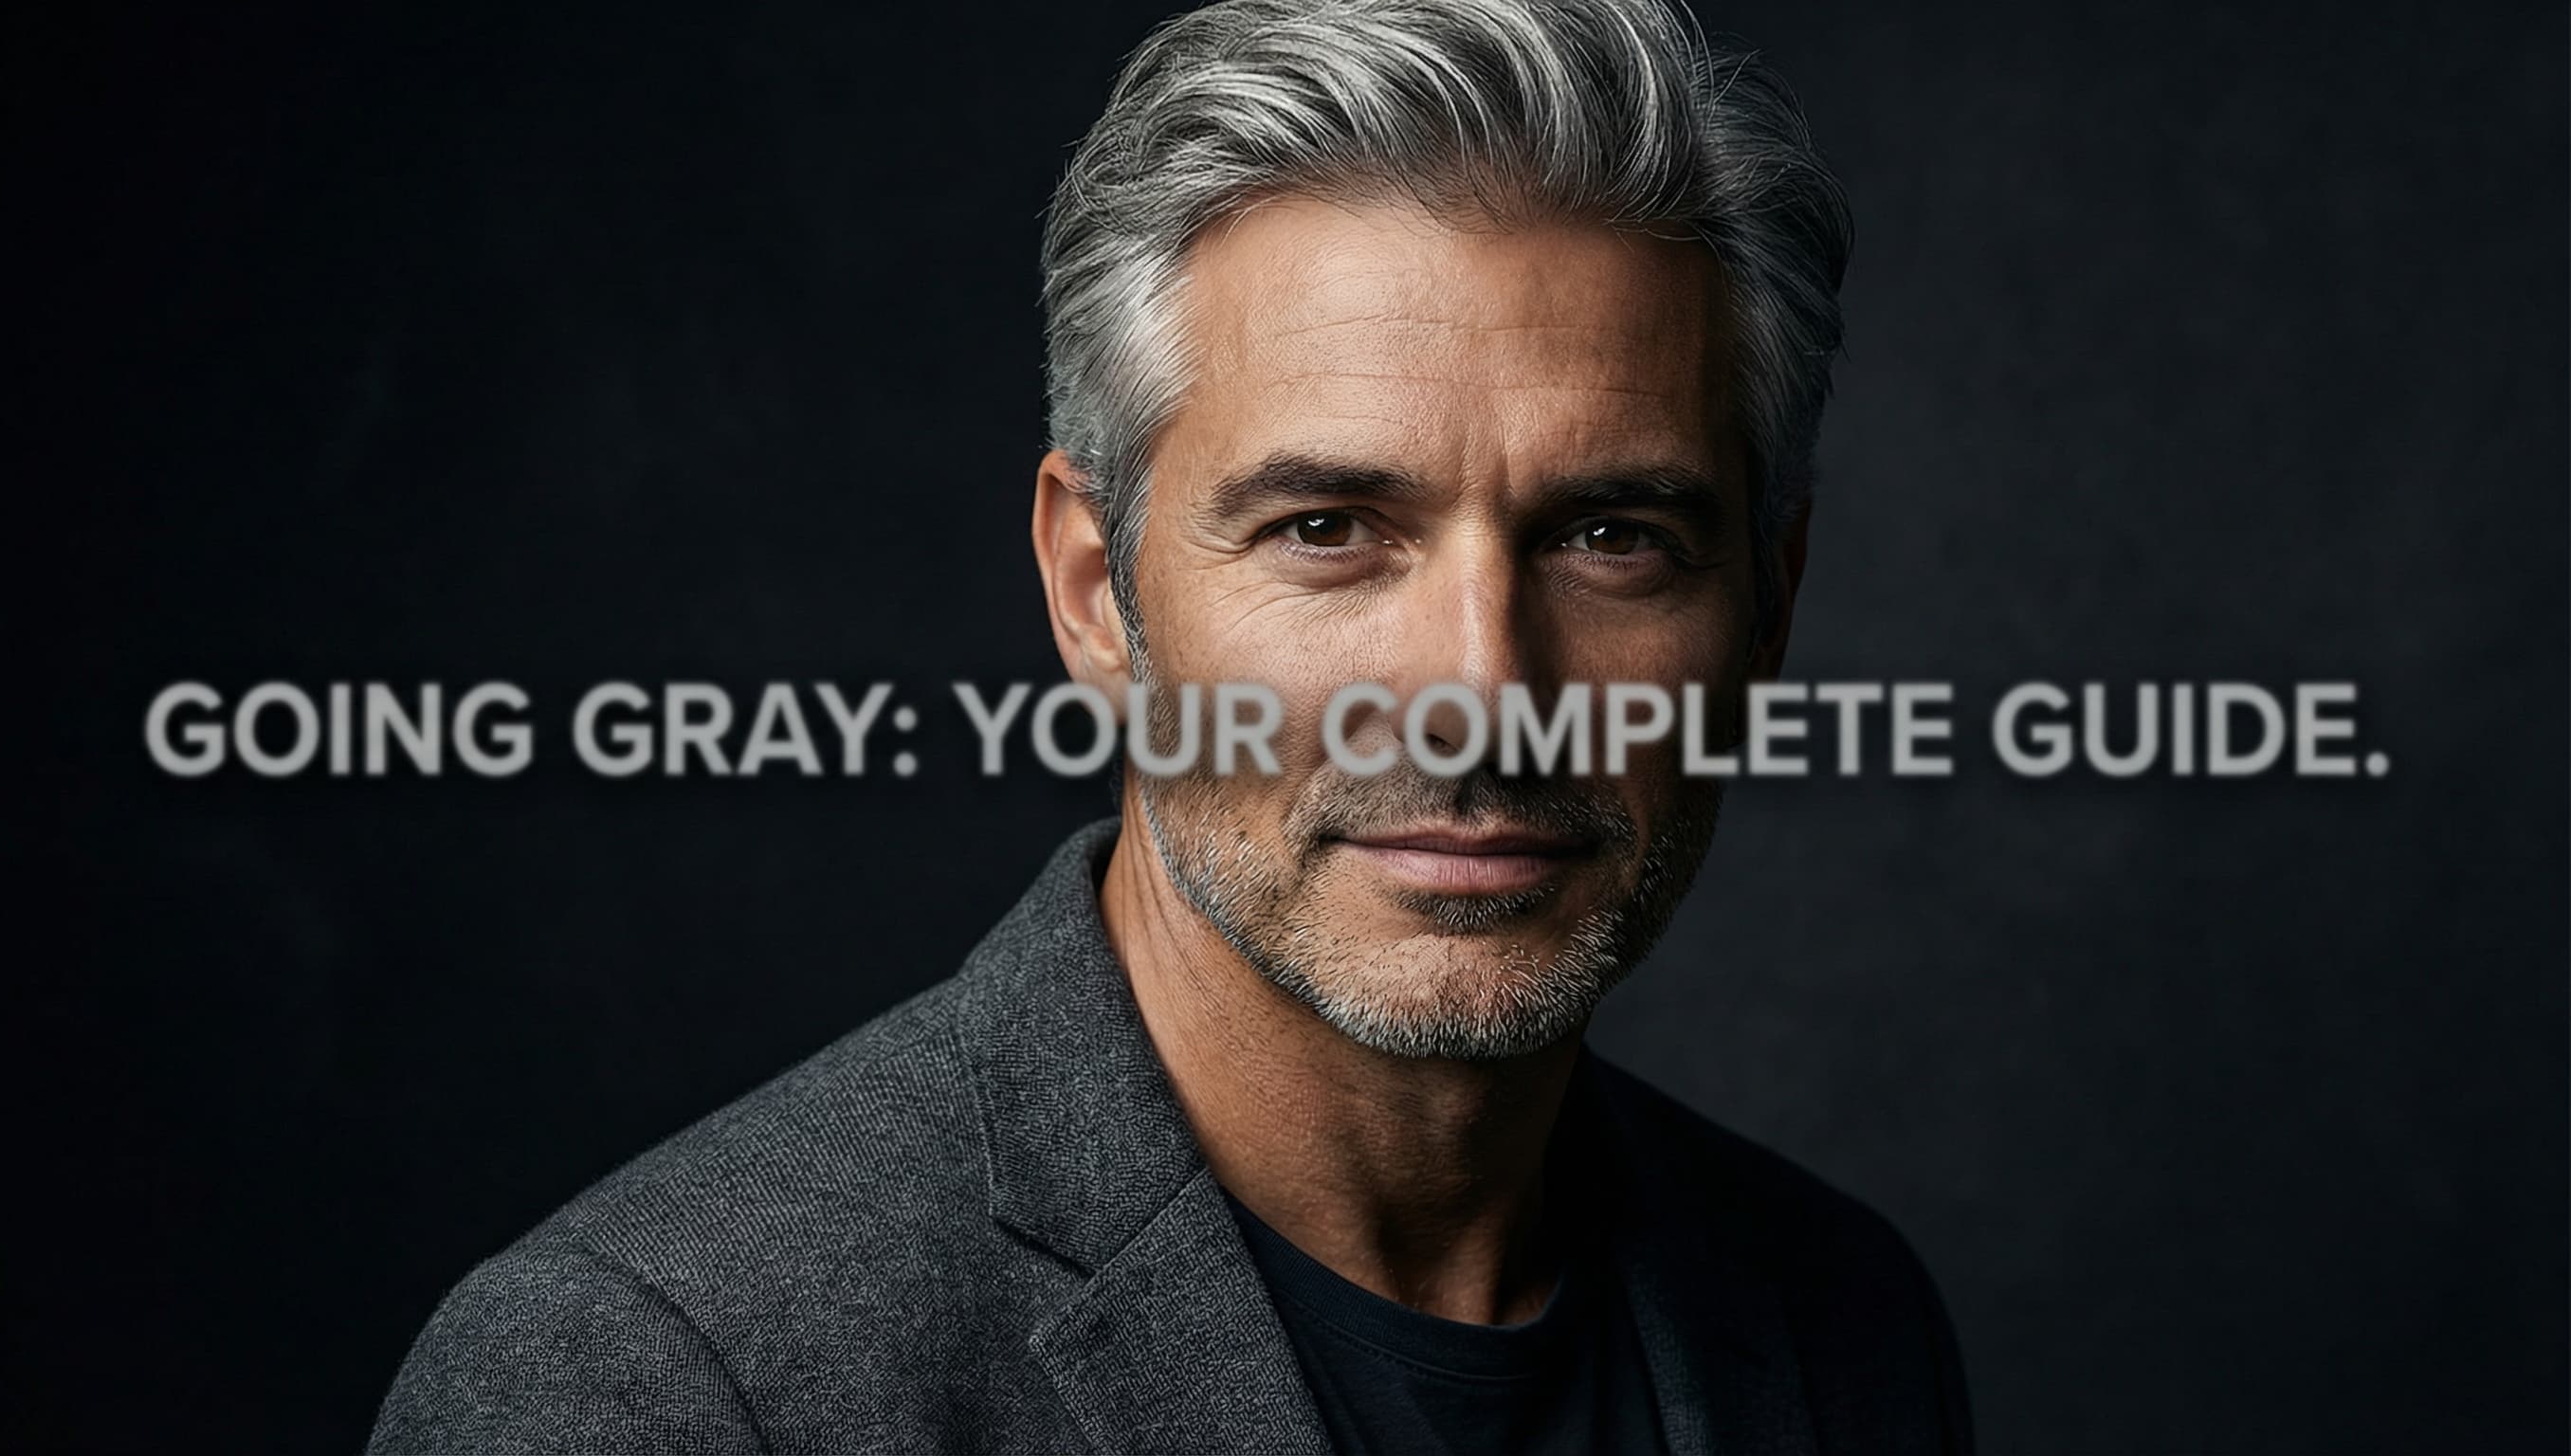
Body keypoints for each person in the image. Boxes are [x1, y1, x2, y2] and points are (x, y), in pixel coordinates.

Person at [370, 1, 1972, 1449]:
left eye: (1613, 536)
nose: (1483, 692)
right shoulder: (651, 1386)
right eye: (1330, 529)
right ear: (1096, 591)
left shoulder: (1840, 1323)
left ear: (1768, 606)